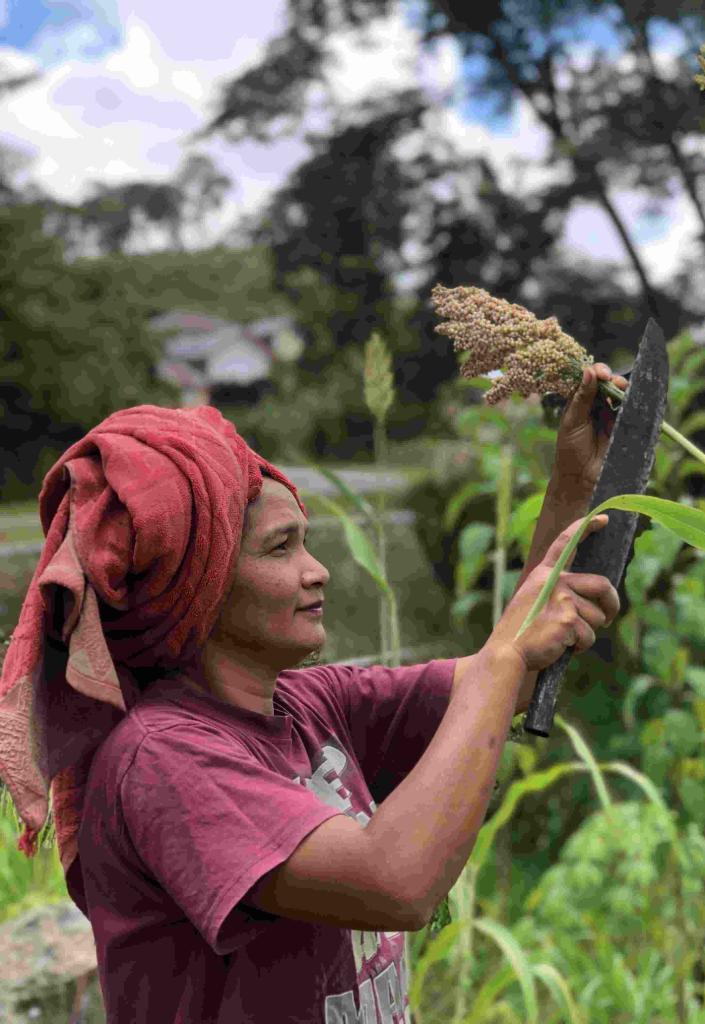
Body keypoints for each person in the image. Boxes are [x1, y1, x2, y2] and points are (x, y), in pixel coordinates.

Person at [0, 362, 626, 1023]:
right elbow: (396, 884)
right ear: (201, 587)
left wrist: (575, 486)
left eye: (310, 543)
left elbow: (507, 680)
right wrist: (505, 658)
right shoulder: (163, 760)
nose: (318, 570)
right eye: (282, 549)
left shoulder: (312, 704)